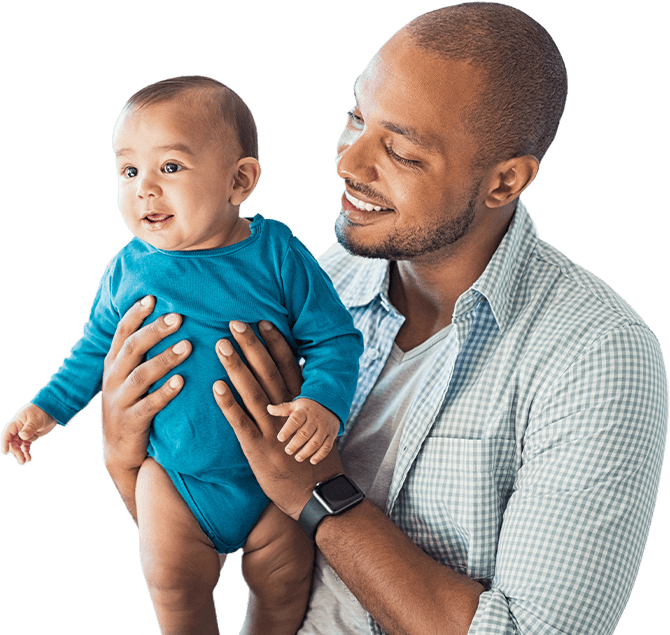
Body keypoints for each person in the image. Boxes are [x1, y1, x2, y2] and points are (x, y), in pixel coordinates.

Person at [47, 3, 668, 635]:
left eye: (399, 150)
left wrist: (318, 490)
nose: (347, 162)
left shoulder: (597, 356)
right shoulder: (322, 280)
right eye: (356, 117)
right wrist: (126, 459)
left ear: (504, 182)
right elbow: (223, 522)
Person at [1, 76, 364, 634]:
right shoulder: (127, 268)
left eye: (169, 167)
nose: (145, 188)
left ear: (239, 181)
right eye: (129, 171)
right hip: (175, 481)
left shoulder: (277, 254)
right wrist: (44, 409)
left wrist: (322, 403)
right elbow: (94, 351)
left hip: (275, 480)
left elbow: (335, 339)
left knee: (284, 585)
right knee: (174, 590)